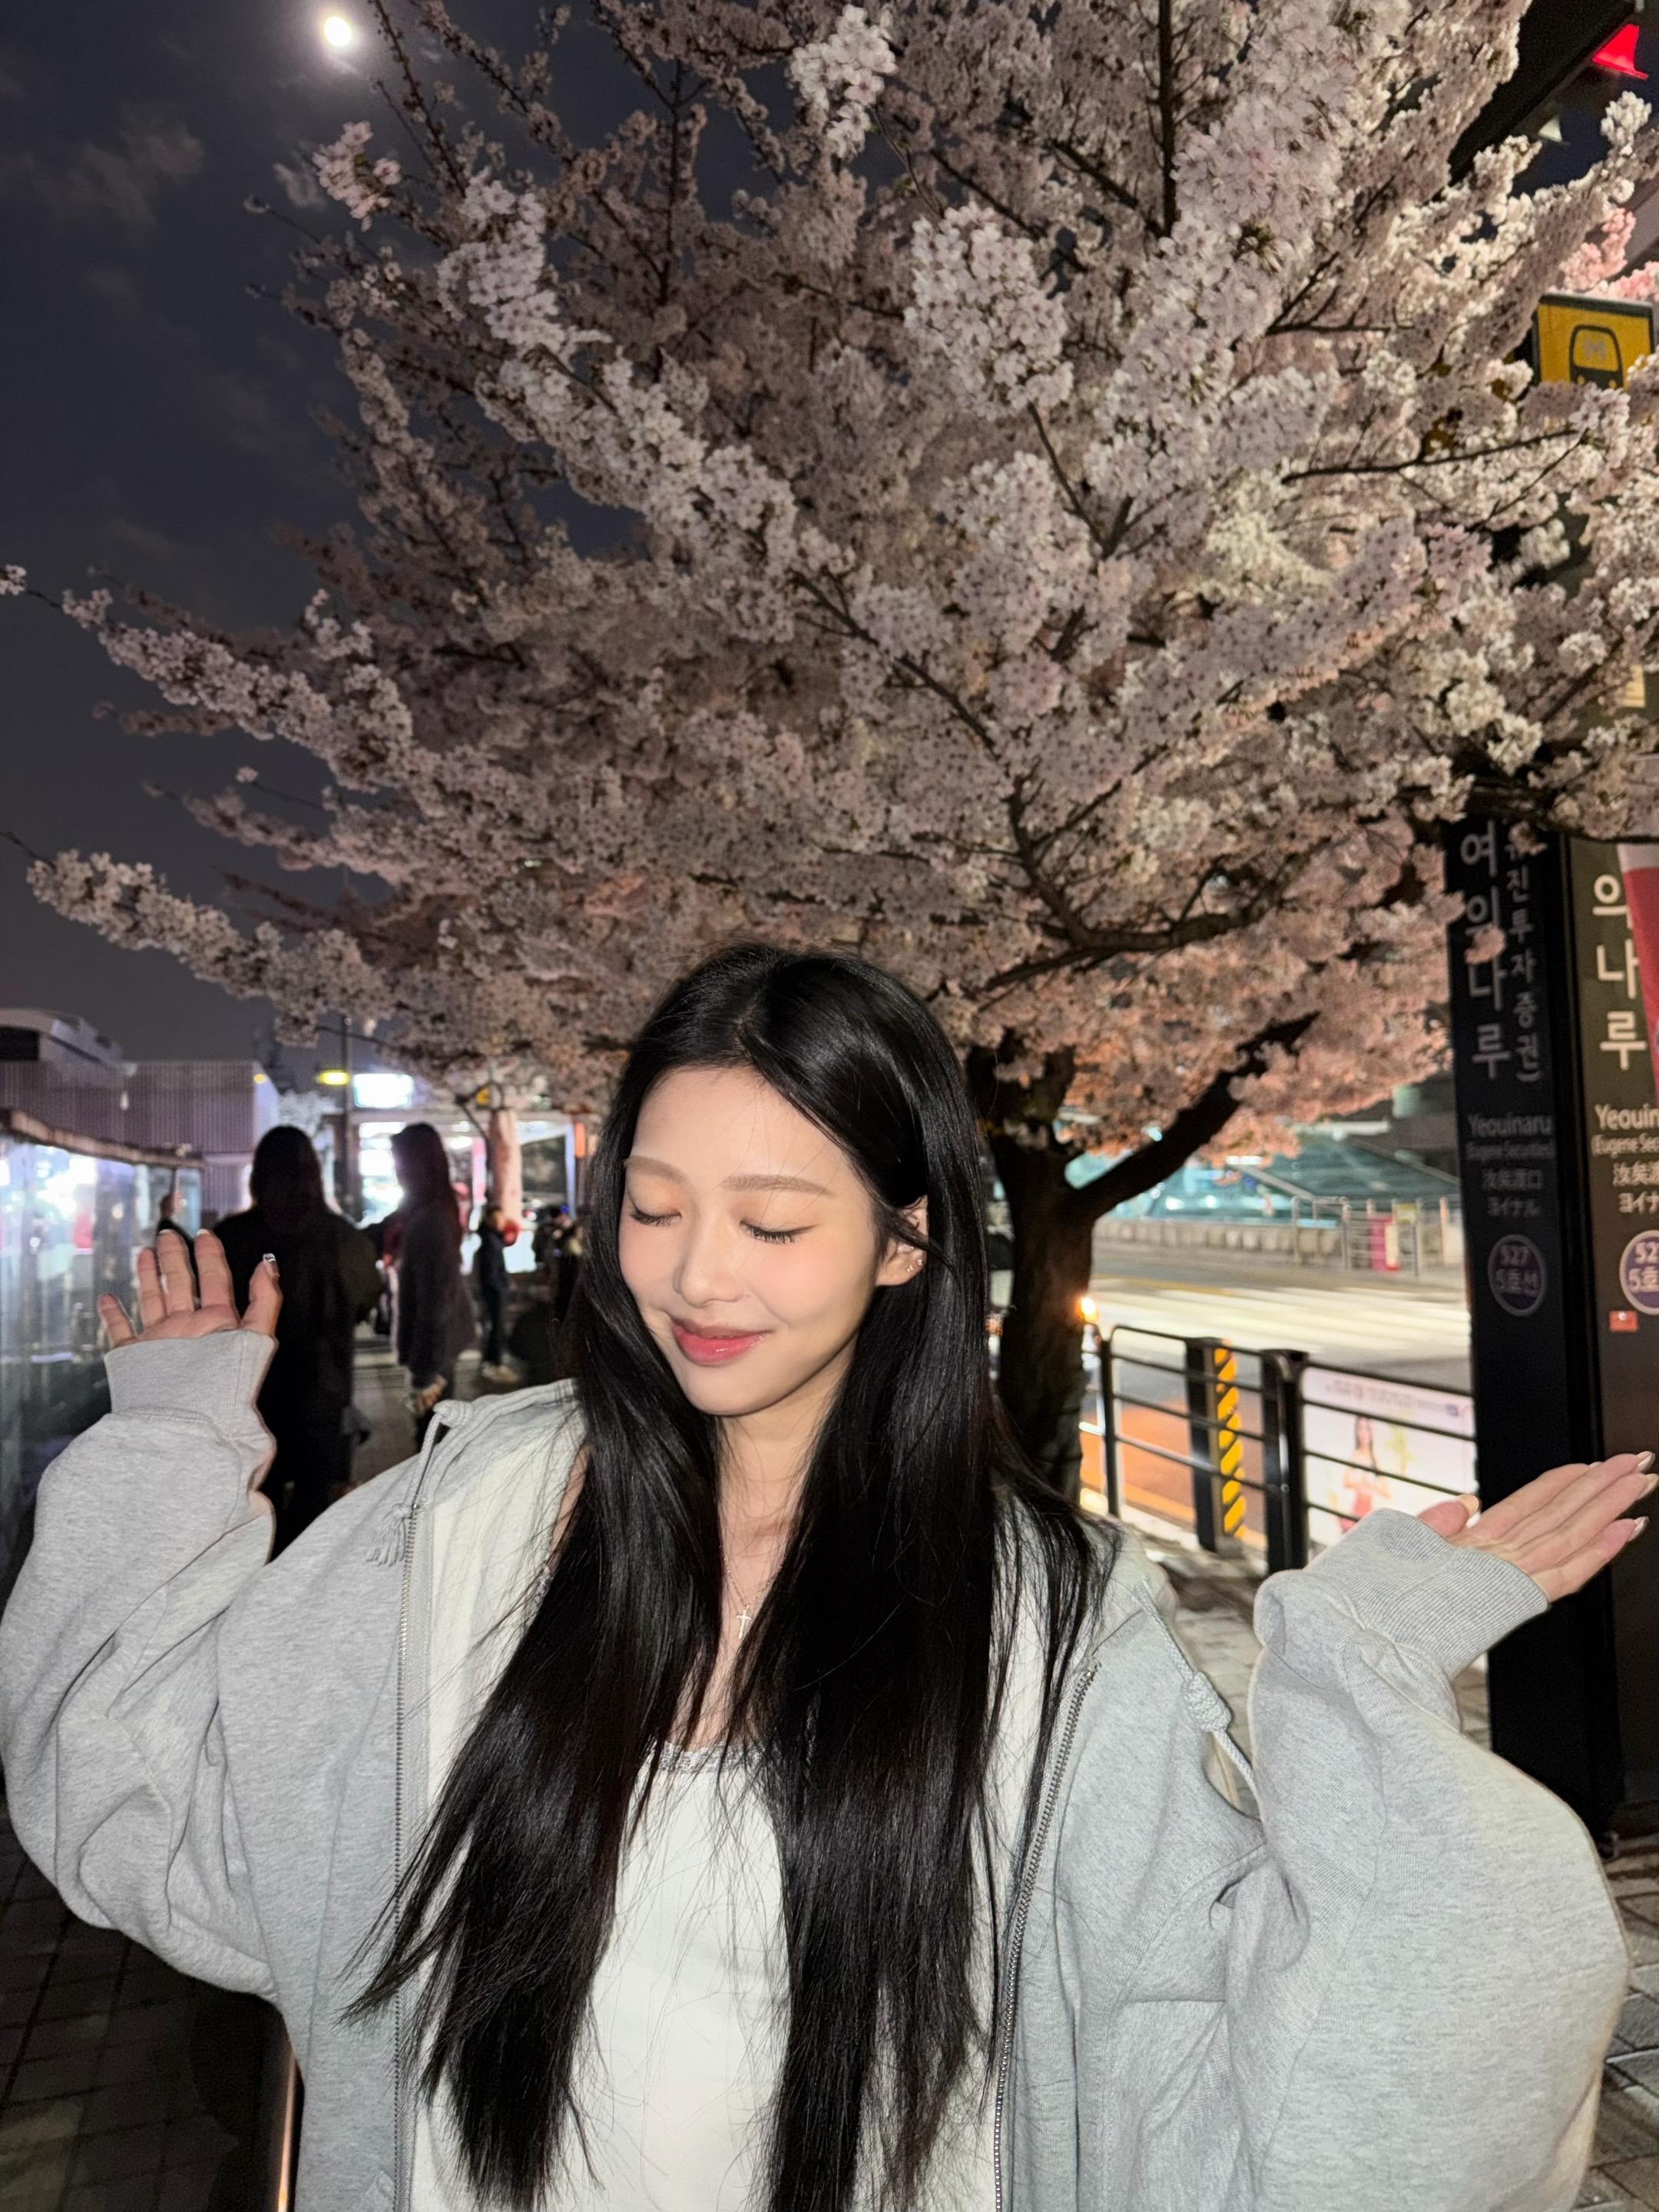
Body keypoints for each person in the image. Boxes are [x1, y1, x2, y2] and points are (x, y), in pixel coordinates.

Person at [0, 944, 1641, 2212]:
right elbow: (138, 1801)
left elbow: (1318, 2099)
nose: (695, 1278)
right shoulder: (458, 1530)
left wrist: (1358, 1681)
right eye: (653, 1208)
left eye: (774, 1224)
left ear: (905, 1240)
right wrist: (169, 1449)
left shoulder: (1043, 1624)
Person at [214, 1126, 380, 1551]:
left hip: (251, 1396)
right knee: (315, 1513)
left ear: (258, 1177)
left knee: (252, 1510)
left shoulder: (232, 1239)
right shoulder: (343, 1239)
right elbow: (364, 1302)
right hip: (323, 1394)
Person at [389, 1121, 475, 1444]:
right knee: (435, 1440)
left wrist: (425, 1372)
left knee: (432, 1445)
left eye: (401, 1163)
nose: (397, 1172)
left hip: (434, 1351)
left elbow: (434, 1303)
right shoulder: (428, 1213)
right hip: (439, 1347)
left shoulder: (430, 1222)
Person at [472, 1200, 510, 1379]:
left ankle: (490, 1361)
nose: (500, 1222)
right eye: (496, 1219)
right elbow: (491, 1272)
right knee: (496, 1327)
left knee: (494, 1327)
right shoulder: (491, 1242)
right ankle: (495, 1362)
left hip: (493, 1290)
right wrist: (501, 1288)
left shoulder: (491, 1239)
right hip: (494, 1292)